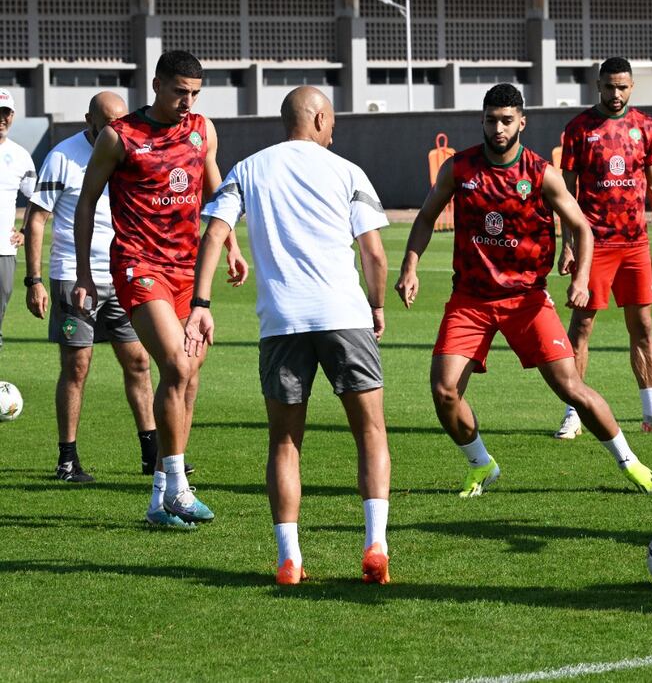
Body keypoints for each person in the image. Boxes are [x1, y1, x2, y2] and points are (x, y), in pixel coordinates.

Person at [395, 83, 652, 497]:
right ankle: (481, 464)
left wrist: (580, 277)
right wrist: (410, 266)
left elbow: (581, 227)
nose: (498, 128)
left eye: (506, 120)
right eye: (490, 120)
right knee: (444, 391)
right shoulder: (459, 168)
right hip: (471, 300)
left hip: (527, 300)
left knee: (571, 387)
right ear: (481, 121)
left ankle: (630, 461)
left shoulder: (541, 173)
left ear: (522, 121)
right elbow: (427, 217)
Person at [189, 86, 392, 585]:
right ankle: (375, 544)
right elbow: (374, 254)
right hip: (344, 315)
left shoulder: (249, 168)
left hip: (281, 321)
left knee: (284, 440)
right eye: (333, 119)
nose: (334, 128)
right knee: (369, 433)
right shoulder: (347, 171)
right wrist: (378, 303)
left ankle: (289, 558)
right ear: (319, 119)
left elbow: (214, 232)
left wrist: (201, 303)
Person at [72, 51, 247, 529]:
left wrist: (231, 245)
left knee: (188, 376)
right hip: (138, 265)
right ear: (156, 84)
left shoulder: (202, 130)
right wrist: (85, 274)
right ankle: (179, 487)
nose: (187, 101)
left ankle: (160, 499)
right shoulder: (119, 136)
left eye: (194, 93)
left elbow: (220, 194)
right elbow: (87, 203)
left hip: (189, 269)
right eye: (179, 91)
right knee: (174, 362)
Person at [21, 92, 171, 483]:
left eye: (121, 122)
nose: (116, 130)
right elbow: (37, 219)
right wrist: (34, 279)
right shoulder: (63, 156)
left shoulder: (133, 148)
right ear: (89, 120)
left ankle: (151, 455)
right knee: (77, 366)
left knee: (139, 362)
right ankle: (67, 460)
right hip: (74, 275)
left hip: (124, 273)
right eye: (108, 124)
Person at [553, 57, 652, 439]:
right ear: (598, 85)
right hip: (594, 243)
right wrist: (567, 246)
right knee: (581, 326)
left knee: (643, 326)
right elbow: (566, 194)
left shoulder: (645, 126)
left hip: (635, 244)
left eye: (623, 87)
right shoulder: (579, 128)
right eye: (609, 86)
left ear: (631, 87)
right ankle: (574, 412)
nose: (616, 94)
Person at [0, 88, 36, 353]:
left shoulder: (21, 155)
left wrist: (24, 230)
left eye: (6, 113)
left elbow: (36, 198)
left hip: (3, 249)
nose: (2, 119)